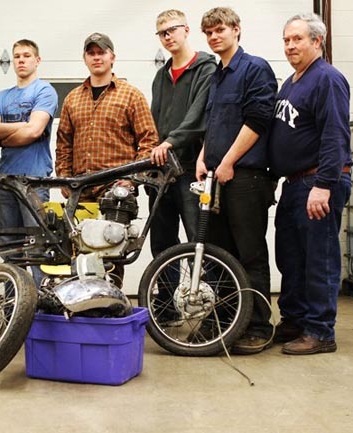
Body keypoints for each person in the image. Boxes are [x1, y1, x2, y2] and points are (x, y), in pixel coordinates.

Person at [196, 7, 278, 354]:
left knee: (250, 254)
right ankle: (228, 322)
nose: (214, 37)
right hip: (217, 177)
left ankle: (258, 326)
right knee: (221, 254)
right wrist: (203, 157)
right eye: (209, 32)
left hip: (245, 177)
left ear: (236, 30)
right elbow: (214, 124)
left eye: (220, 30)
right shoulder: (217, 75)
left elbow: (258, 120)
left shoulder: (255, 68)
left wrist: (228, 161)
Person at [269, 13, 351, 355]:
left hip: (318, 181)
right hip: (294, 184)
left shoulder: (327, 78)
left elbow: (335, 134)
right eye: (286, 40)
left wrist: (324, 184)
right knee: (291, 258)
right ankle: (295, 321)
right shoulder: (291, 83)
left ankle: (320, 331)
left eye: (297, 39)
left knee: (320, 259)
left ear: (317, 41)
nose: (290, 46)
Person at [56, 32, 159, 286]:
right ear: (85, 58)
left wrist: (132, 180)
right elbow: (63, 143)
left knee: (111, 252)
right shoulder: (72, 98)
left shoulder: (131, 95)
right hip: (81, 188)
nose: (96, 57)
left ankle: (110, 301)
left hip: (115, 189)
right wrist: (64, 178)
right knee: (80, 252)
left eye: (101, 52)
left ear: (112, 57)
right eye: (91, 53)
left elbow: (148, 140)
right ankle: (85, 303)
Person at [149, 10, 216, 324]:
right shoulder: (161, 76)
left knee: (199, 241)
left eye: (172, 30)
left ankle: (214, 313)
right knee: (162, 243)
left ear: (186, 30)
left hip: (190, 167)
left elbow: (198, 116)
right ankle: (167, 308)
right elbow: (154, 119)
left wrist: (170, 142)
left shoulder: (206, 69)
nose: (167, 36)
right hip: (162, 171)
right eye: (161, 32)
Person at [0, 39, 58, 289]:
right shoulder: (2, 96)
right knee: (9, 248)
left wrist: (6, 135)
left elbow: (35, 131)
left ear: (37, 60)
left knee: (38, 246)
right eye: (17, 56)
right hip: (5, 182)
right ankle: (14, 301)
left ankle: (41, 301)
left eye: (26, 55)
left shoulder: (44, 91)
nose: (21, 60)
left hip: (34, 181)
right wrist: (23, 125)